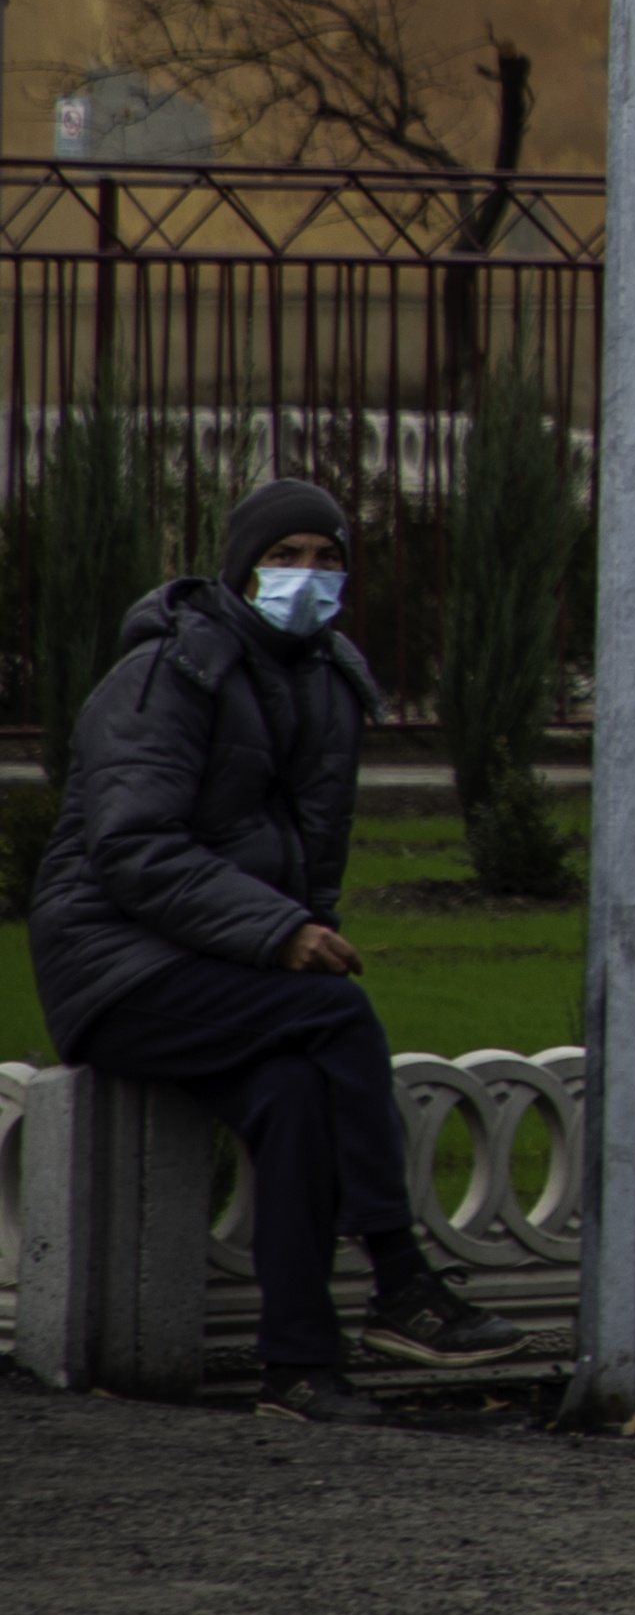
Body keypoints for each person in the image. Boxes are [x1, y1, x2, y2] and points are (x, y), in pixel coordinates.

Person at [22, 477, 526, 1421]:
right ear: (241, 568)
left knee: (294, 1093)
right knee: (334, 1014)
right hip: (115, 965)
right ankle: (401, 1277)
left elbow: (306, 847)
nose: (308, 575)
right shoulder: (169, 672)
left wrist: (292, 927)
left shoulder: (328, 678)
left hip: (218, 966)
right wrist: (279, 933)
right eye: (284, 556)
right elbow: (131, 846)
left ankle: (300, 1368)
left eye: (328, 557)